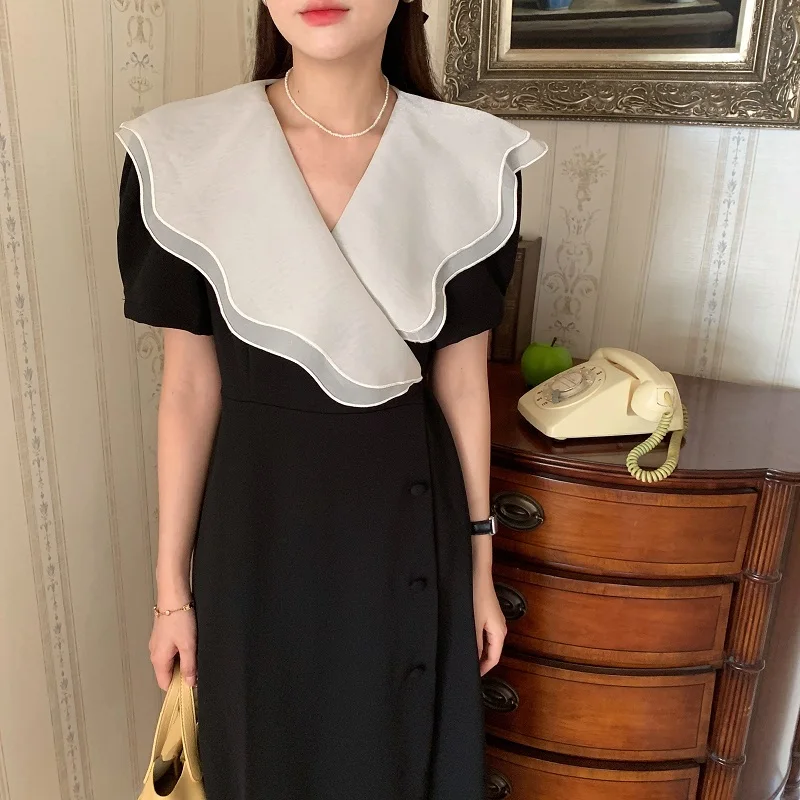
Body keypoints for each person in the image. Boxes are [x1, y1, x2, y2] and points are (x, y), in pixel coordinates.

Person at [115, 0, 547, 797]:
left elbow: (461, 382)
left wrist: (480, 568)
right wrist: (171, 593)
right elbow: (189, 387)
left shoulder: (470, 157)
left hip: (407, 538)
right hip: (258, 540)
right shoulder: (185, 153)